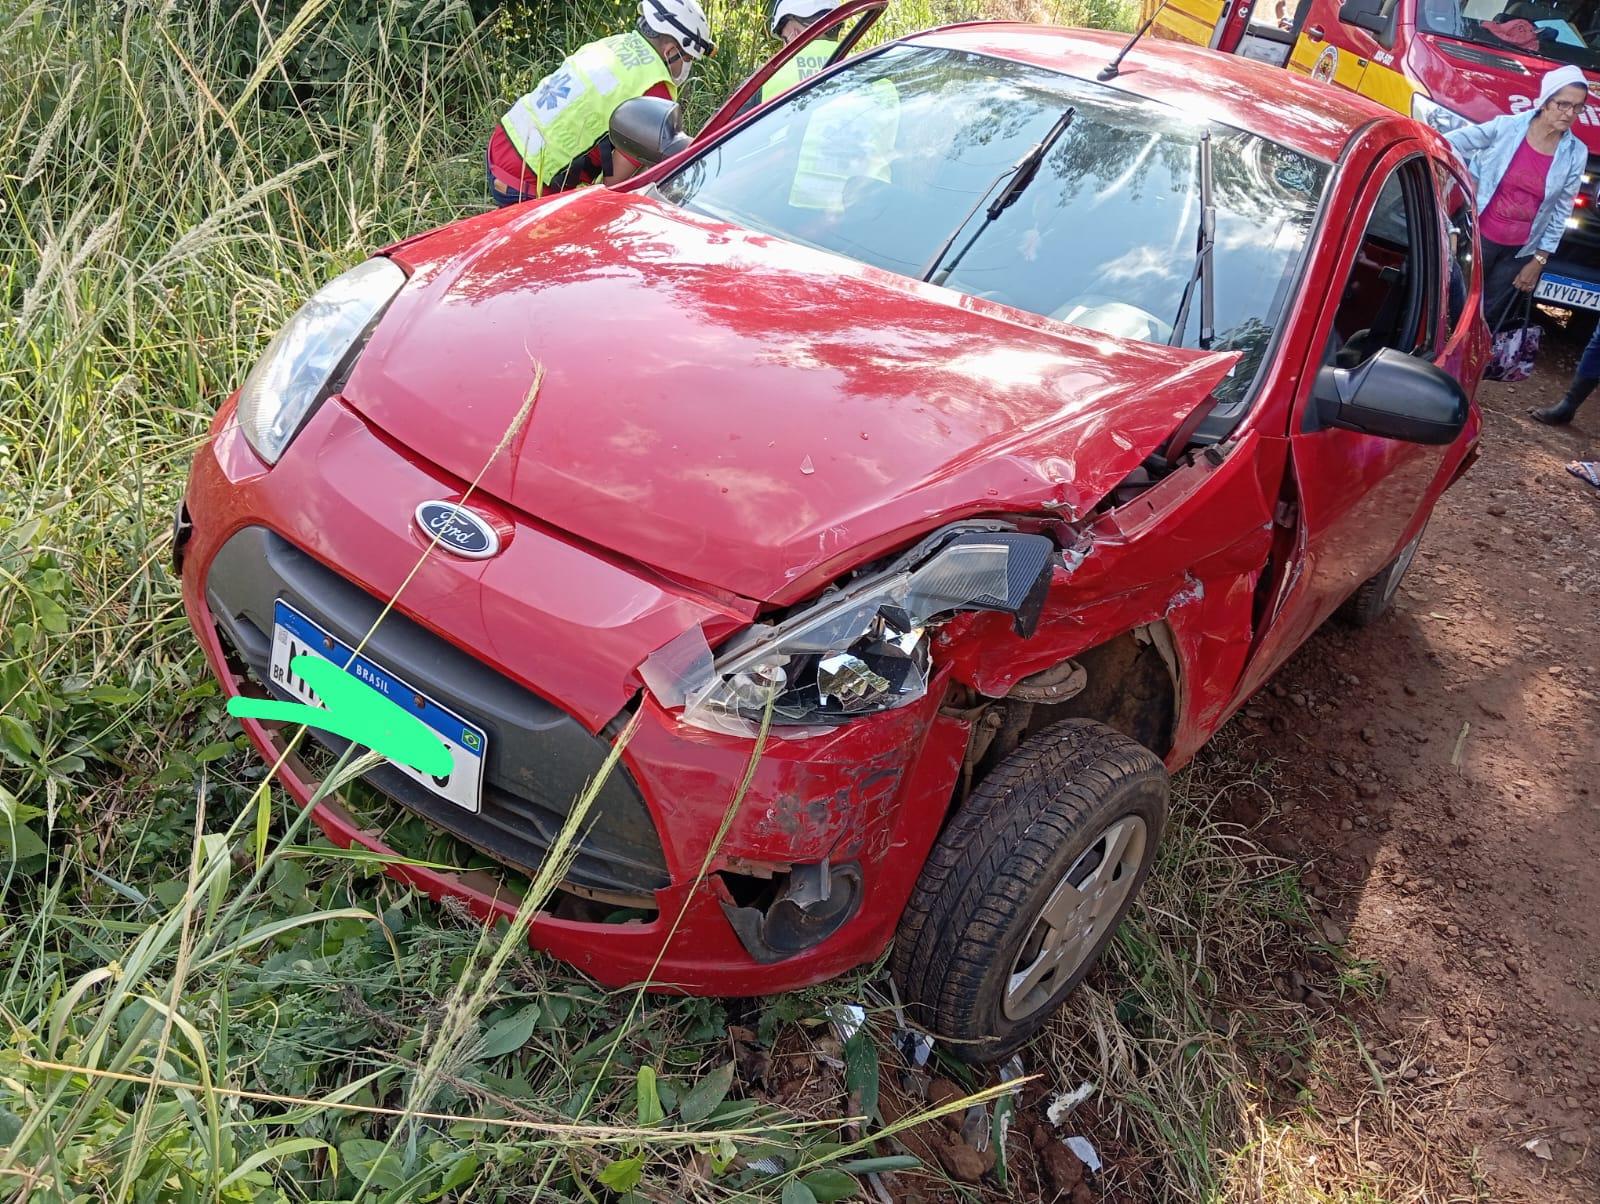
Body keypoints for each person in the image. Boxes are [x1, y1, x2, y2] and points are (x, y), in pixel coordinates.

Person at [486, 0, 714, 207]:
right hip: (529, 182)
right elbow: (614, 183)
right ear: (671, 52)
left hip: (504, 143)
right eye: (689, 59)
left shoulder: (614, 43)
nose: (687, 68)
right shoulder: (655, 90)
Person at [1443, 64, 1588, 324]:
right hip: (1479, 238)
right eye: (1563, 104)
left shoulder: (1576, 152)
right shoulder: (1507, 128)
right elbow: (1450, 141)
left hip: (1520, 251)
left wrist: (1539, 259)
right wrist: (1467, 180)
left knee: (1485, 320)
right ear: (1545, 102)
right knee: (1452, 308)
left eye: (1577, 108)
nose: (1570, 114)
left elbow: (1562, 210)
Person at [760, 1, 845, 103]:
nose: (784, 47)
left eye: (785, 39)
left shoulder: (769, 78)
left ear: (796, 33)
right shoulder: (862, 63)